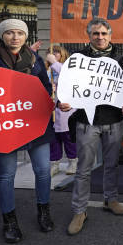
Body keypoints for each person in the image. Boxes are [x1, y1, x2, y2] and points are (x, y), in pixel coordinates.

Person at [0, 19, 55, 243]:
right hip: (3, 127)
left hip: (36, 124)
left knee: (44, 171)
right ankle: (9, 221)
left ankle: (43, 212)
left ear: (26, 36)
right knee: (6, 175)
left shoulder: (35, 59)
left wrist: (53, 101)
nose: (15, 37)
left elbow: (45, 88)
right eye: (9, 33)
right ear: (2, 36)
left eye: (19, 33)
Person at [61, 17, 123, 236]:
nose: (100, 37)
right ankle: (79, 210)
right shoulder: (77, 58)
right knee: (84, 169)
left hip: (113, 122)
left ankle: (110, 200)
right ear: (89, 36)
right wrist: (62, 102)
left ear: (110, 35)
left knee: (111, 164)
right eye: (96, 34)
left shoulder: (120, 58)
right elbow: (66, 86)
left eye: (103, 34)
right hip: (86, 122)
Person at [46, 45, 77, 176]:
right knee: (53, 140)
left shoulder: (68, 67)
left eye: (57, 52)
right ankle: (54, 164)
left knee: (68, 139)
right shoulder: (46, 70)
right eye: (51, 52)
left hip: (66, 111)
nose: (54, 54)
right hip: (50, 110)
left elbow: (70, 78)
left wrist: (54, 63)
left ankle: (73, 162)